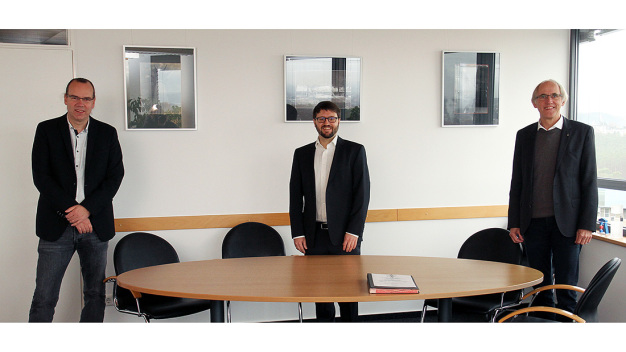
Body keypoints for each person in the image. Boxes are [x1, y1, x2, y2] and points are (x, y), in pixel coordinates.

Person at [29, 78, 125, 322]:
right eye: (75, 97)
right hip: (56, 226)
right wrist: (74, 212)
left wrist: (87, 210)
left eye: (86, 98)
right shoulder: (46, 130)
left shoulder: (107, 133)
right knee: (44, 297)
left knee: (95, 294)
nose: (80, 104)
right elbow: (41, 177)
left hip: (95, 226)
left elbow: (115, 176)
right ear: (65, 99)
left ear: (93, 102)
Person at [507, 79, 597, 318]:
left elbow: (589, 182)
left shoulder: (582, 133)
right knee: (540, 285)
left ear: (563, 100)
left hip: (568, 225)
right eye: (543, 97)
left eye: (554, 96)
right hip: (533, 223)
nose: (549, 101)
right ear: (534, 103)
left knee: (567, 287)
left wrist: (586, 224)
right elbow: (518, 182)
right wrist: (513, 221)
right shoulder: (524, 135)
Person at [289, 101, 370, 322]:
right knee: (321, 294)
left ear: (338, 121)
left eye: (332, 118)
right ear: (314, 121)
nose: (327, 123)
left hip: (345, 237)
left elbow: (361, 196)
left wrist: (354, 232)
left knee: (348, 295)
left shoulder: (355, 151)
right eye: (322, 119)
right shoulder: (302, 154)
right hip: (313, 236)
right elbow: (295, 197)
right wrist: (297, 232)